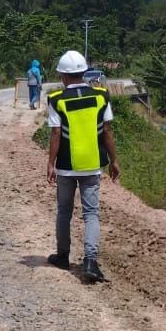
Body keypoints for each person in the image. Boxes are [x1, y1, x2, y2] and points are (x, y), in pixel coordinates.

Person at [45, 50, 120, 283]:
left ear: (63, 75)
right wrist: (114, 160)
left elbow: (56, 133)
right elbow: (106, 131)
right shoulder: (101, 95)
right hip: (92, 165)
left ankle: (63, 256)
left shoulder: (57, 99)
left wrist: (50, 163)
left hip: (67, 165)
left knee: (64, 212)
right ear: (84, 72)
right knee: (91, 214)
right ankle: (90, 261)